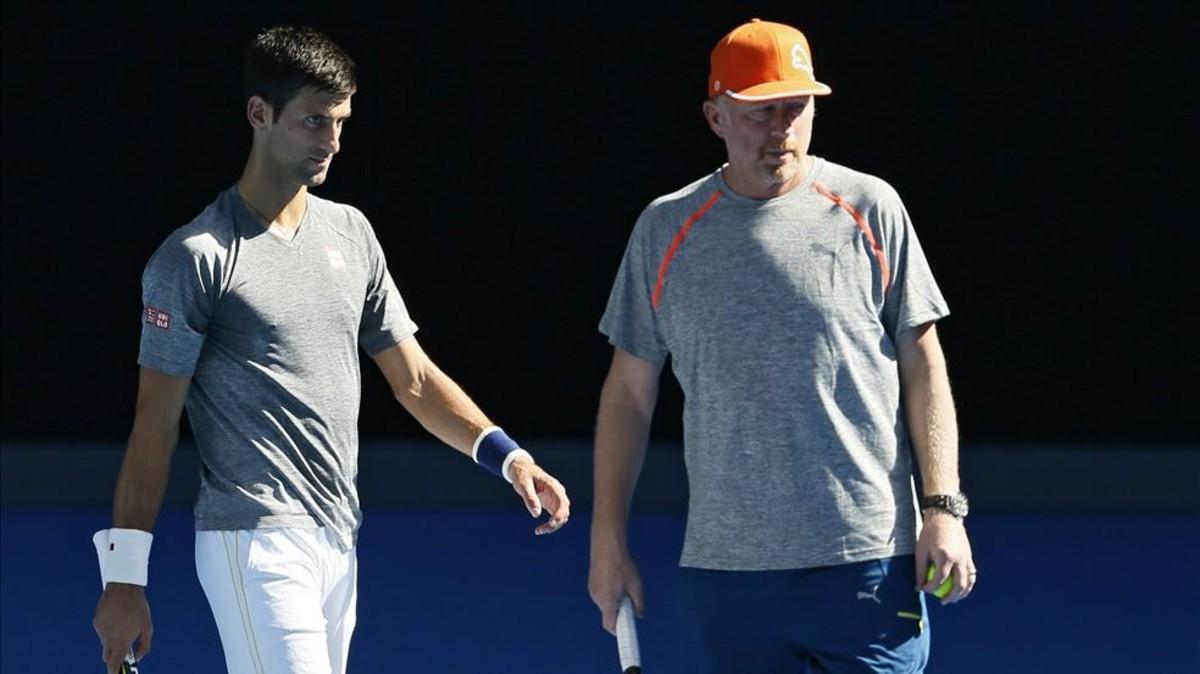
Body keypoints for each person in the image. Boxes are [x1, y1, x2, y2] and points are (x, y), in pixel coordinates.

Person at [91, 24, 570, 674]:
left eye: (341, 121)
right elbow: (153, 424)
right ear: (259, 114)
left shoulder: (352, 232)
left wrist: (508, 457)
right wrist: (124, 580)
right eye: (314, 121)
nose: (333, 141)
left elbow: (417, 382)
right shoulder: (195, 259)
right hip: (253, 539)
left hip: (338, 538)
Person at [588, 18, 975, 673]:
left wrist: (942, 508)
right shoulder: (665, 229)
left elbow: (924, 364)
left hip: (868, 562)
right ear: (716, 117)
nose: (782, 129)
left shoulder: (871, 208)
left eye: (796, 109)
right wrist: (607, 538)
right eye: (760, 112)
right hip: (727, 574)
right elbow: (628, 391)